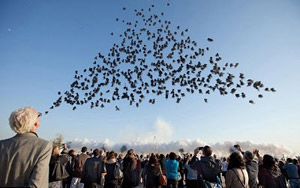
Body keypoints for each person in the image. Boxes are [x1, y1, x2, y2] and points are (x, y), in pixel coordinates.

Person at [0, 106, 52, 188]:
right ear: (36, 123)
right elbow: (37, 184)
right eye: (39, 115)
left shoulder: (2, 144)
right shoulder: (43, 146)